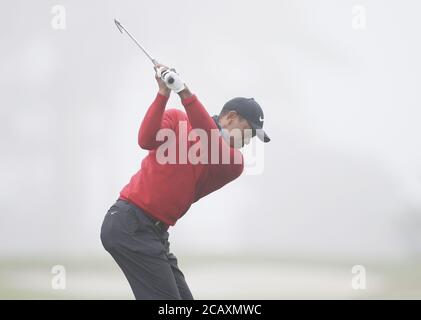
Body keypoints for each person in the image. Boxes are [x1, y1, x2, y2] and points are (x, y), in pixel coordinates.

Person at [100, 63, 270, 300]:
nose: (249, 140)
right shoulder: (177, 119)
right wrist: (163, 94)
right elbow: (145, 140)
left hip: (155, 234)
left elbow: (210, 140)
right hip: (128, 223)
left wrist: (185, 93)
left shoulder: (233, 162)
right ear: (231, 117)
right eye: (249, 131)